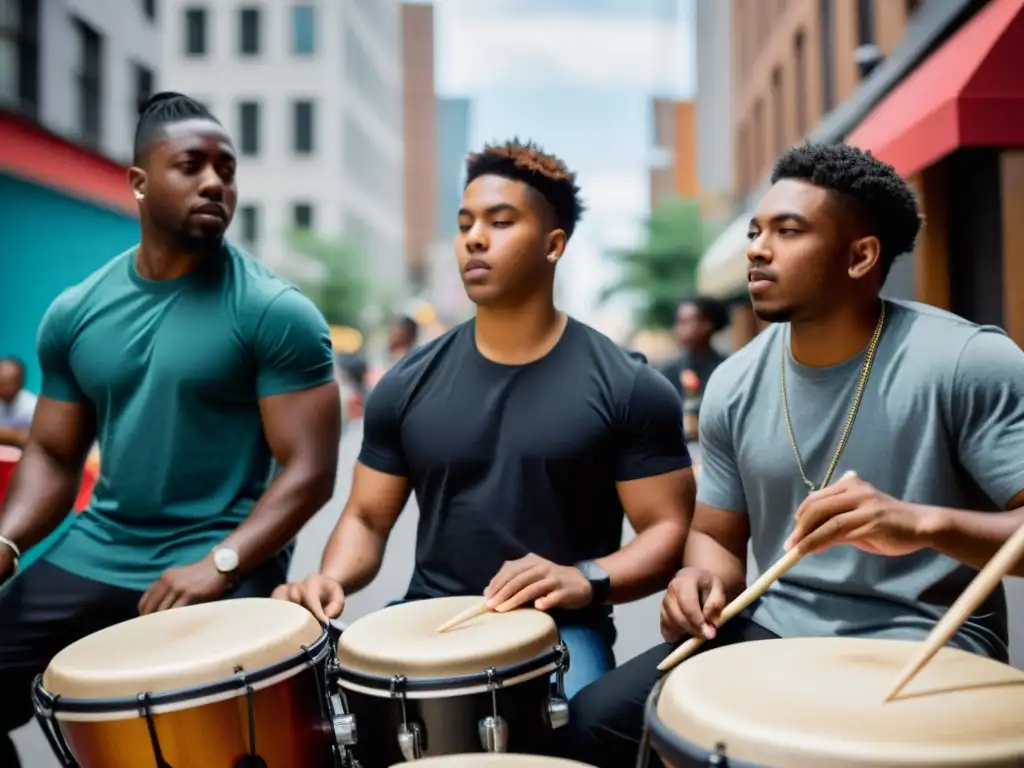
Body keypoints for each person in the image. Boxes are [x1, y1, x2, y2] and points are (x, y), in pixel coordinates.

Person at [562, 142, 1024, 766]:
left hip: (929, 639)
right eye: (756, 231)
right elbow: (718, 539)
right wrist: (701, 581)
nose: (756, 248)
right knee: (598, 721)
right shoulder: (735, 382)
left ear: (861, 255)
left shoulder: (969, 362)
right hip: (775, 627)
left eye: (788, 230)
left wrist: (922, 523)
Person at [274, 139, 695, 698]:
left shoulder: (631, 387)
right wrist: (331, 579)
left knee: (576, 740)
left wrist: (584, 579)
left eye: (501, 221)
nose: (474, 237)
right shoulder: (405, 383)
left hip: (560, 627)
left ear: (553, 244)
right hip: (430, 615)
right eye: (465, 222)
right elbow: (367, 519)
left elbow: (668, 529)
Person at [0, 92, 340, 767]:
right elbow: (54, 454)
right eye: (192, 165)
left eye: (227, 168)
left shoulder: (275, 311)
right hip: (103, 545)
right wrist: (6, 542)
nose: (216, 181)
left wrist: (220, 563)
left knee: (212, 743)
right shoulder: (75, 313)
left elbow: (308, 471)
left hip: (222, 551)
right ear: (139, 181)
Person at [658, 297, 728, 442]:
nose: (679, 328)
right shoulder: (667, 372)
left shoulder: (727, 369)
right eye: (678, 322)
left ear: (706, 325)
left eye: (685, 322)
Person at [0, 358, 37, 448]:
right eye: (2, 382)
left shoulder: (33, 406)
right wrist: (16, 435)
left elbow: (35, 439)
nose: (5, 388)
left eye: (10, 382)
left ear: (21, 382)